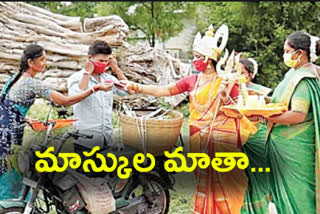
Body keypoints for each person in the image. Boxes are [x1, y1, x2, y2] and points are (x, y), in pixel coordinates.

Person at [122, 25, 257, 214]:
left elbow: (237, 109)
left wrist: (225, 96)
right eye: (193, 56)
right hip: (197, 137)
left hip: (219, 139)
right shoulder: (192, 80)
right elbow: (164, 90)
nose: (194, 60)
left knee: (225, 185)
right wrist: (136, 86)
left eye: (197, 56)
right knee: (204, 183)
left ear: (208, 60)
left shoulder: (226, 80)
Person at [0, 44, 112, 199]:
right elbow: (65, 101)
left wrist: (24, 118)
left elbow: (6, 105)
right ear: (31, 63)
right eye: (42, 59)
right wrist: (95, 89)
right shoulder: (30, 83)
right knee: (12, 181)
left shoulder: (14, 78)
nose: (46, 62)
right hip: (9, 142)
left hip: (4, 134)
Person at [243, 32, 320, 214]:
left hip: (296, 150)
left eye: (287, 51)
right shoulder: (292, 73)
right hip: (284, 146)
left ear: (300, 53)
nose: (284, 55)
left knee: (299, 197)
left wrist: (266, 117)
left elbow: (298, 114)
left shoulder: (304, 78)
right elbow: (281, 104)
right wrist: (259, 104)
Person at [67, 40, 128, 175]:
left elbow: (127, 90)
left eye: (107, 61)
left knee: (105, 182)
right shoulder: (75, 78)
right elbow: (77, 95)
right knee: (87, 183)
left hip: (106, 138)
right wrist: (88, 74)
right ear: (90, 58)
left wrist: (116, 68)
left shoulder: (108, 78)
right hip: (86, 140)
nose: (104, 64)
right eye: (101, 61)